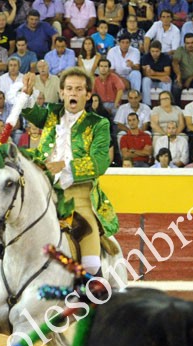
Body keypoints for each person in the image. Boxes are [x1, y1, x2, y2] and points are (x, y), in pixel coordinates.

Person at [20, 66, 119, 276]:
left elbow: (100, 162)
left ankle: (94, 291)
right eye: (69, 88)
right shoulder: (51, 114)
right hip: (44, 192)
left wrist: (65, 166)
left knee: (90, 262)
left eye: (79, 89)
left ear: (88, 95)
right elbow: (31, 113)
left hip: (79, 196)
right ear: (62, 93)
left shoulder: (98, 123)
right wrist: (26, 94)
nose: (73, 93)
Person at [172, 33, 193, 106]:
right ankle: (177, 107)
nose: (190, 45)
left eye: (192, 43)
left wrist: (190, 79)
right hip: (181, 77)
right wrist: (178, 75)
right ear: (184, 43)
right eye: (187, 43)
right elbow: (175, 62)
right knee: (176, 86)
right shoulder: (180, 49)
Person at [140, 40, 172, 106]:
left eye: (157, 51)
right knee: (145, 80)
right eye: (152, 51)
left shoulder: (165, 57)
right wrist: (159, 77)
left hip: (161, 82)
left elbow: (167, 73)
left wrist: (154, 73)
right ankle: (147, 104)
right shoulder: (145, 57)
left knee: (167, 80)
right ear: (150, 50)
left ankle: (165, 103)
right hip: (151, 81)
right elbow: (145, 74)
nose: (154, 53)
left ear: (160, 50)